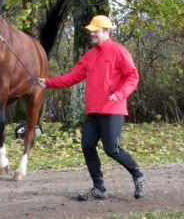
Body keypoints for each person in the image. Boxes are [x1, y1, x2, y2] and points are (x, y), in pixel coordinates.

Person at [38, 15, 147, 201]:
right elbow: (72, 77)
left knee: (112, 149)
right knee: (87, 145)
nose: (92, 34)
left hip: (113, 109)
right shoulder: (90, 55)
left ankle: (138, 176)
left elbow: (133, 77)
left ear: (106, 31)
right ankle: (99, 188)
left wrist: (120, 94)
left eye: (95, 31)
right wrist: (47, 83)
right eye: (91, 31)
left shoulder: (119, 51)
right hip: (93, 111)